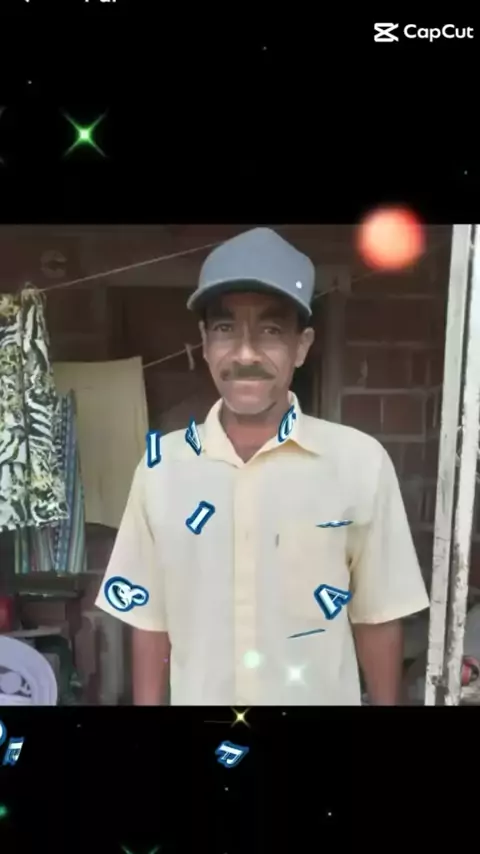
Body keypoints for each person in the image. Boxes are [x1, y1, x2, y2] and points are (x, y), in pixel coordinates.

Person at [95, 227, 430, 705]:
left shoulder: (359, 463)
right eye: (225, 329)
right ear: (204, 343)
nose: (245, 353)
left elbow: (377, 616)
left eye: (271, 331)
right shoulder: (161, 468)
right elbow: (149, 620)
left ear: (302, 345)